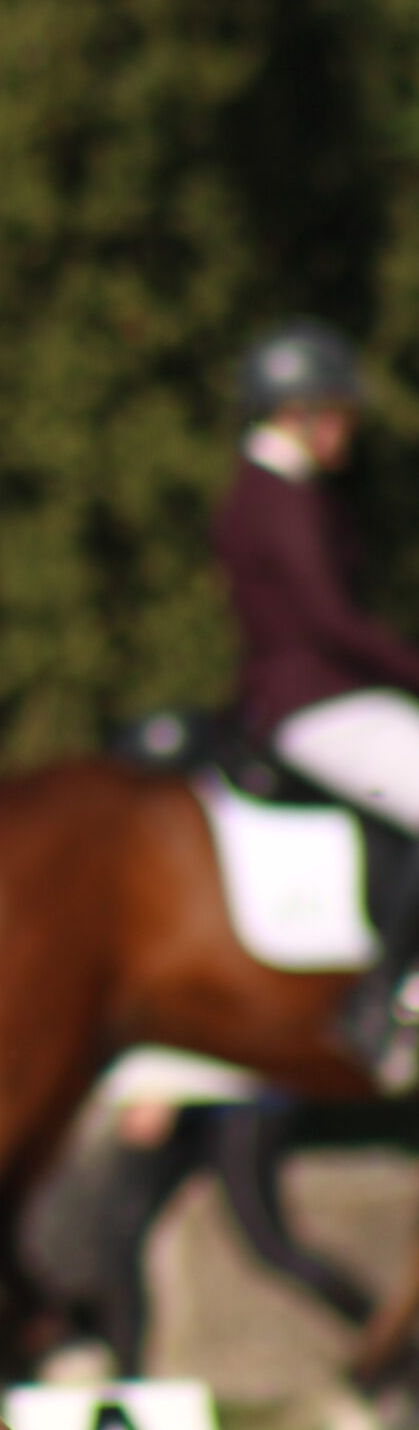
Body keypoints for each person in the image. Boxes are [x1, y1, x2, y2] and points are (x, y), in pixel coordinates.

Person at [214, 317, 419, 1086]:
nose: (345, 431)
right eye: (336, 414)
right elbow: (331, 620)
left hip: (323, 700)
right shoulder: (280, 497)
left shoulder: (272, 492)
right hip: (317, 705)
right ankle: (386, 1000)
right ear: (296, 412)